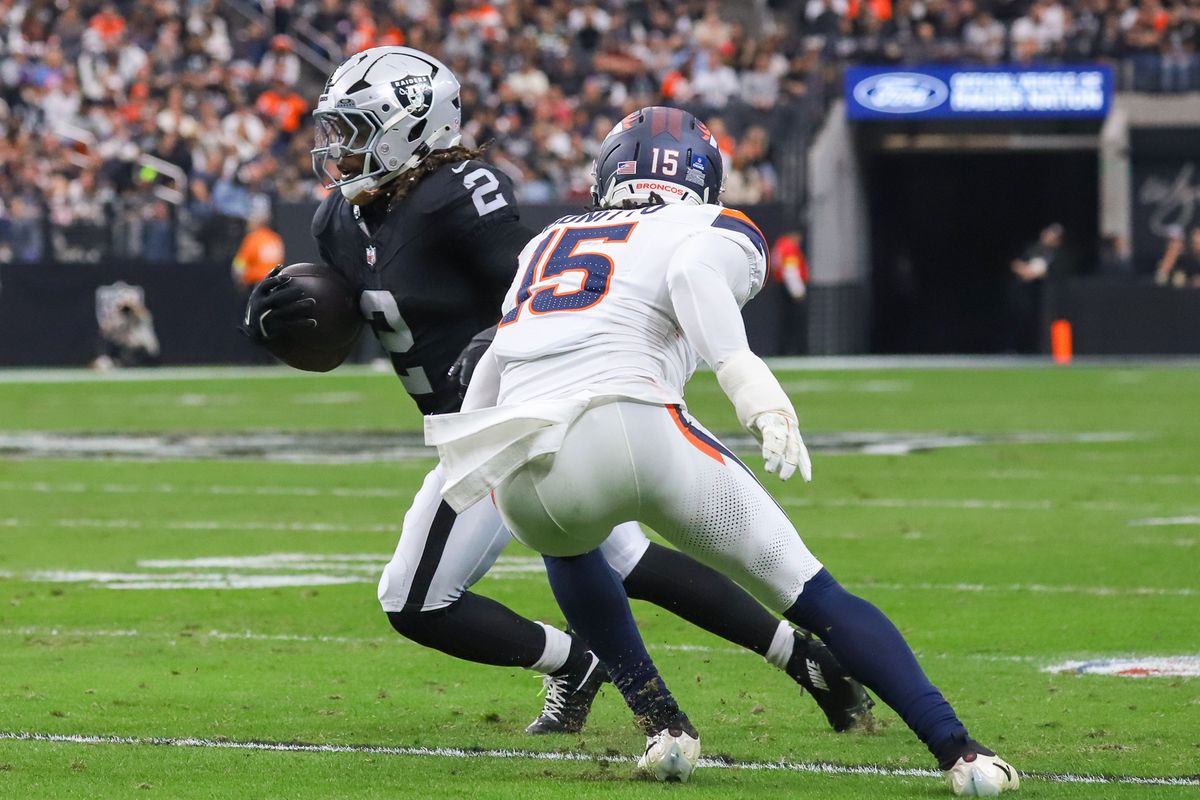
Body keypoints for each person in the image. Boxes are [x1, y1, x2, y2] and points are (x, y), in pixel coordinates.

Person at [240, 47, 871, 737]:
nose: (339, 148)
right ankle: (802, 663)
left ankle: (586, 672)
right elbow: (372, 318)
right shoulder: (337, 221)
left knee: (414, 597)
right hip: (474, 423)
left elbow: (536, 282)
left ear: (408, 128)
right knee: (626, 559)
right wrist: (288, 323)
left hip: (513, 417)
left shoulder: (459, 192)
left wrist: (501, 337)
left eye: (355, 129)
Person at [427, 106, 1018, 794]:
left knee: (569, 547)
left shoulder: (548, 238)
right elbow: (691, 282)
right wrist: (753, 390)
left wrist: (466, 463)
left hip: (530, 465)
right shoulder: (713, 224)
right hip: (634, 424)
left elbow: (496, 359)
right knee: (814, 594)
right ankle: (959, 752)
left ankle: (663, 727)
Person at [1008, 222, 1063, 353]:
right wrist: (1026, 271)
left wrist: (1035, 274)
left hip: (1044, 295)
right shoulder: (1031, 248)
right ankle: (1016, 348)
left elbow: (1054, 271)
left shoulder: (1057, 253)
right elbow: (1015, 263)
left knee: (1040, 323)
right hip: (1023, 291)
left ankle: (1039, 350)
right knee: (1020, 320)